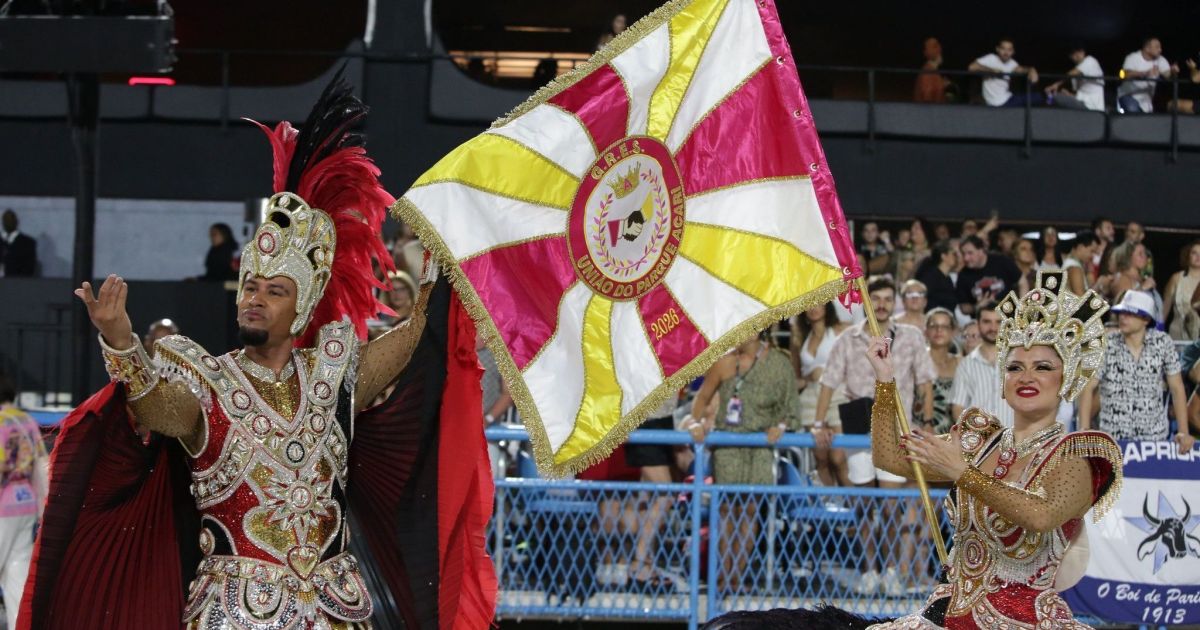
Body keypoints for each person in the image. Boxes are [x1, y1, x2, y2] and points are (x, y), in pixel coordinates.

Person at [21, 79, 497, 629]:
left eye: (274, 292)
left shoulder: (334, 375)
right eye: (250, 287)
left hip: (334, 612)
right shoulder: (206, 382)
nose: (255, 300)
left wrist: (446, 261)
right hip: (233, 614)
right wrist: (121, 342)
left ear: (301, 308)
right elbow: (154, 407)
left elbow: (415, 334)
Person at [703, 270, 1124, 630]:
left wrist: (964, 475)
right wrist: (885, 382)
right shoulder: (981, 438)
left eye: (1043, 366)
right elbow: (890, 459)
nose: (1027, 376)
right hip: (948, 614)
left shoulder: (1081, 453)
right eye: (1015, 366)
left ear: (1066, 379)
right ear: (1002, 378)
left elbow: (1041, 514)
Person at [814, 277, 935, 596]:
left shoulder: (910, 337)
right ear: (865, 301)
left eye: (886, 298)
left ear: (892, 303)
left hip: (896, 428)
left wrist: (927, 419)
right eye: (875, 298)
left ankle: (894, 569)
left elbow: (925, 381)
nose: (880, 304)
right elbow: (828, 382)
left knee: (892, 504)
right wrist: (817, 423)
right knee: (865, 504)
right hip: (857, 430)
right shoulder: (846, 339)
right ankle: (870, 569)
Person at [691, 332, 799, 594]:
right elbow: (702, 398)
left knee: (749, 511)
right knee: (726, 511)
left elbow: (791, 407)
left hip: (760, 448)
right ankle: (721, 577)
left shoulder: (779, 363)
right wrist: (695, 422)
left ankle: (735, 577)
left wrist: (781, 426)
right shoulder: (725, 363)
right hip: (728, 446)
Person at [1079, 291, 1194, 454]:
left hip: (1154, 441)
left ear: (1146, 319)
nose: (1123, 318)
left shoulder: (1163, 343)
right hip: (1113, 441)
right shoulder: (1106, 345)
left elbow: (1176, 388)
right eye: (1121, 313)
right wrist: (1083, 429)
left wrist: (1183, 432)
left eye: (1130, 314)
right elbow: (1088, 387)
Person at [0, 374, 48, 630]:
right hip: (25, 503)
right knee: (17, 575)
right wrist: (43, 508)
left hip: (1, 506)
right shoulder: (25, 420)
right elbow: (41, 465)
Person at [789, 303, 850, 487]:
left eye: (819, 303)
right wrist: (810, 376)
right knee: (820, 458)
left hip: (839, 393)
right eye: (810, 304)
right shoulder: (799, 337)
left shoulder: (842, 330)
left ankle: (857, 509)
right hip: (810, 397)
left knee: (838, 457)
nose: (814, 308)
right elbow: (796, 376)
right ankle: (832, 508)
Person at [623, 393, 679, 589]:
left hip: (661, 419)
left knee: (647, 496)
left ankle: (645, 565)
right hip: (644, 421)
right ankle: (639, 563)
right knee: (667, 494)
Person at [950, 302, 1014, 428]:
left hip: (1015, 439)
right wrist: (971, 435)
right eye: (987, 322)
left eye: (998, 322)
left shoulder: (1019, 361)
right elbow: (958, 407)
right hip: (979, 441)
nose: (993, 327)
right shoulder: (966, 364)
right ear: (978, 324)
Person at [956, 235, 1021, 318]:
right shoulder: (963, 275)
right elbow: (963, 308)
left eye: (970, 253)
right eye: (963, 254)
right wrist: (976, 306)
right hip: (982, 321)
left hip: (1008, 317)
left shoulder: (1001, 261)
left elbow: (1022, 282)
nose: (966, 258)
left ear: (981, 250)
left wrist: (1020, 307)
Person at [969, 38, 1040, 107]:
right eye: (1003, 49)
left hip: (1007, 99)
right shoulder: (991, 58)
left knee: (1036, 97)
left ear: (1013, 52)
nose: (1006, 52)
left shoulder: (1012, 63)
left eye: (1009, 50)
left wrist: (1032, 70)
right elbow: (971, 67)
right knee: (1038, 97)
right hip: (996, 103)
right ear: (997, 49)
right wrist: (992, 71)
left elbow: (1022, 69)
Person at [1117, 37, 1178, 113]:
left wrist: (1173, 71)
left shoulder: (1160, 60)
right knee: (1134, 113)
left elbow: (1167, 75)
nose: (1160, 50)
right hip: (1128, 95)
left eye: (1160, 47)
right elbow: (1124, 74)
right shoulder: (1133, 57)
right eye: (1157, 47)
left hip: (1146, 100)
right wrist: (1145, 73)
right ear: (1147, 48)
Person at [924, 308, 959, 434]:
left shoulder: (961, 363)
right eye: (934, 326)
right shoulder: (918, 361)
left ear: (953, 332)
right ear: (926, 331)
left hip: (956, 433)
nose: (939, 330)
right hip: (922, 431)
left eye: (944, 326)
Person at [1044, 44, 1106, 111]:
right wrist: (1068, 95)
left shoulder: (1090, 60)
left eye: (1077, 53)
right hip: (1083, 103)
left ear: (1083, 52)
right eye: (1072, 54)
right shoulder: (1078, 71)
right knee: (1053, 96)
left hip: (1092, 106)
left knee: (1055, 97)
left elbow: (1071, 73)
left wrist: (1055, 85)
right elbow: (1079, 95)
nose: (1074, 56)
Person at [1163, 240, 1200, 341]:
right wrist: (1158, 329)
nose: (1198, 256)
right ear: (1188, 255)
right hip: (1177, 335)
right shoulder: (1177, 278)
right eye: (1194, 253)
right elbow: (1165, 308)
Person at [914, 240, 959, 313]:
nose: (957, 257)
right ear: (944, 256)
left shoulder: (947, 278)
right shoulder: (931, 276)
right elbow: (920, 297)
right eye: (954, 254)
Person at [0, 209, 38, 277]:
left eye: (11, 219)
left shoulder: (28, 243)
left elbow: (29, 270)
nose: (8, 222)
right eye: (6, 220)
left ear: (16, 222)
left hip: (19, 284)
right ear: (2, 222)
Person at [1063, 230, 1099, 294]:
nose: (1092, 256)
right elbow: (1081, 300)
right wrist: (1099, 285)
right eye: (1092, 251)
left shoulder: (1072, 264)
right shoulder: (1074, 267)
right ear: (1080, 247)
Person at [914, 37, 949, 103]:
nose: (939, 49)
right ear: (926, 52)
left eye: (938, 46)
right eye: (935, 47)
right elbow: (927, 98)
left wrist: (943, 85)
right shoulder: (927, 72)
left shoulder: (933, 70)